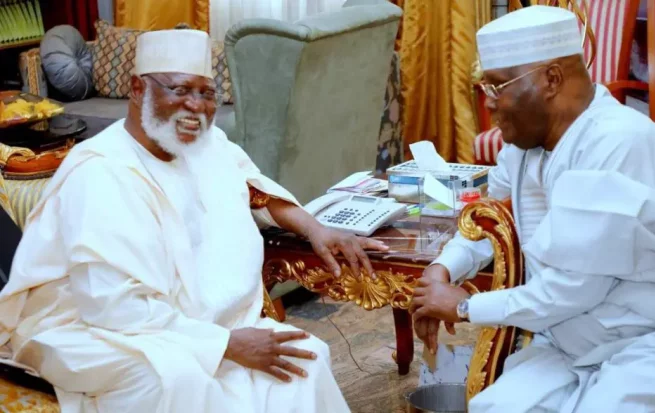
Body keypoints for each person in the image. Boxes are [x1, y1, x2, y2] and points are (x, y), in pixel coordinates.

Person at [0, 29, 388, 413]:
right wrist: (224, 345)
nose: (196, 107)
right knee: (180, 378)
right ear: (138, 90)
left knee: (308, 355)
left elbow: (255, 190)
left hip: (194, 320)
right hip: (95, 330)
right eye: (180, 91)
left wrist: (316, 229)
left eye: (206, 93)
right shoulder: (100, 172)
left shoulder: (208, 144)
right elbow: (111, 307)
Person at [410, 5, 655, 413]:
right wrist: (443, 268)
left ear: (551, 79)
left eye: (497, 88)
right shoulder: (525, 145)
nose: (489, 106)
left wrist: (465, 307)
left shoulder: (616, 142)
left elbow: (572, 289)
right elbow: (489, 219)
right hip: (569, 339)